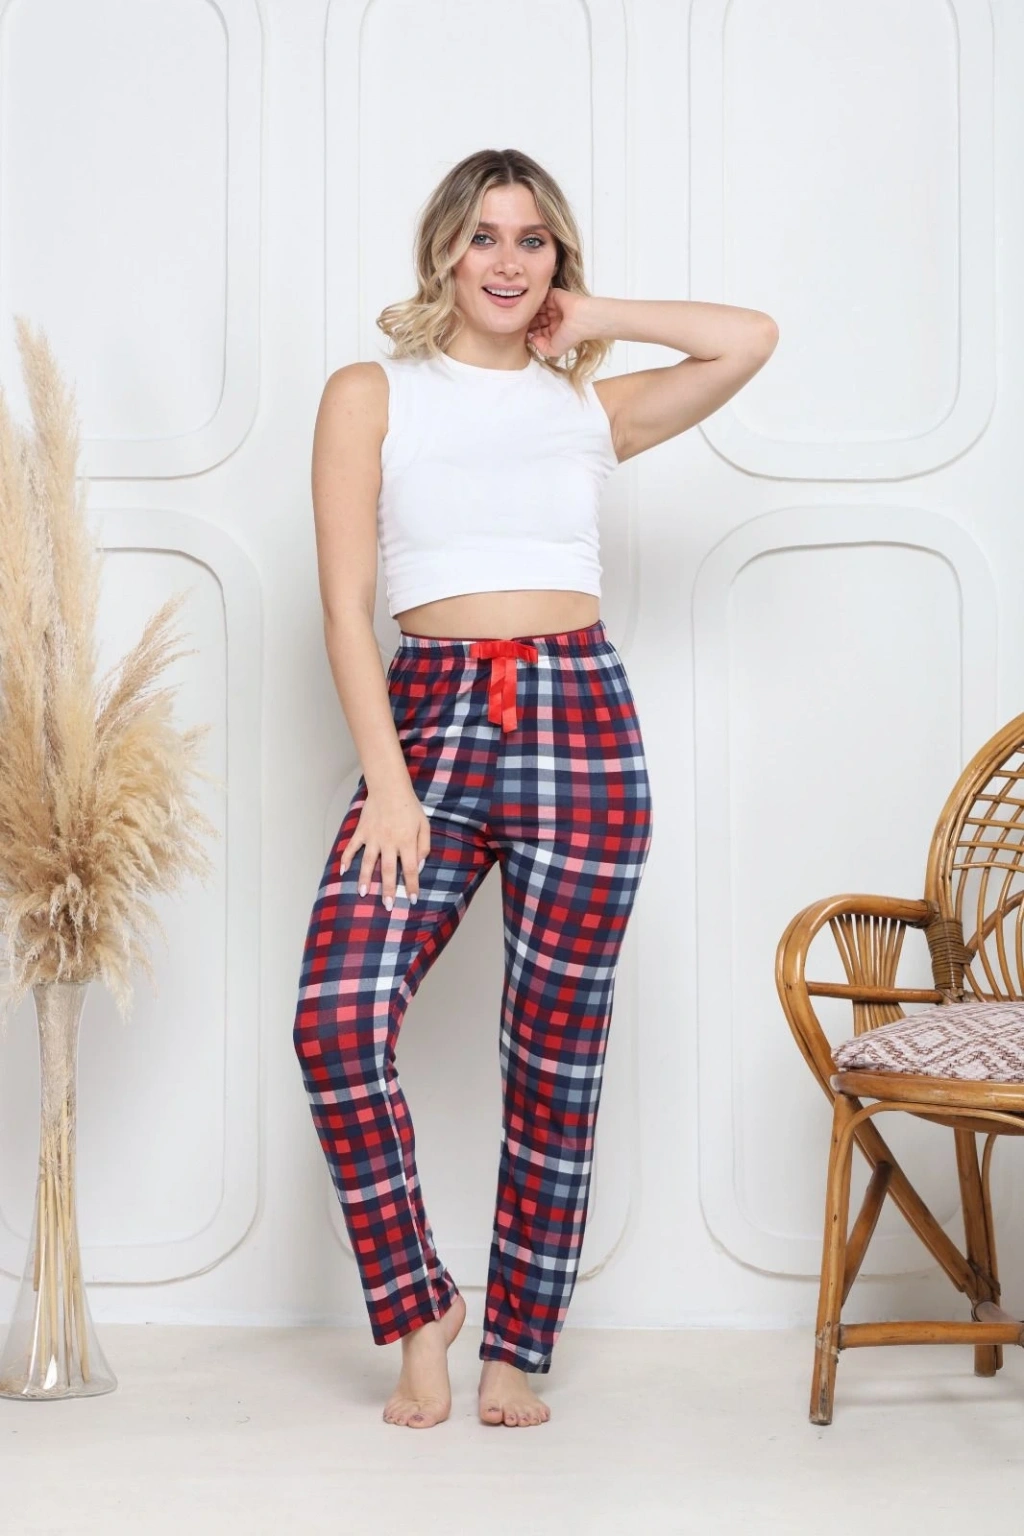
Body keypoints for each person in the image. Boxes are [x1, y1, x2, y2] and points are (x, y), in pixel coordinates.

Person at [292, 147, 778, 1431]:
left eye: (532, 240)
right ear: (442, 253)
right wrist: (388, 785)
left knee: (554, 1053)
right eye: (483, 237)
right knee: (337, 1019)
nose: (506, 262)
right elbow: (343, 607)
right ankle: (420, 1310)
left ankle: (516, 1346)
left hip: (581, 721)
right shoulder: (370, 393)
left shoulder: (588, 409)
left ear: (556, 259)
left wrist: (593, 318)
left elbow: (748, 338)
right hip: (429, 718)